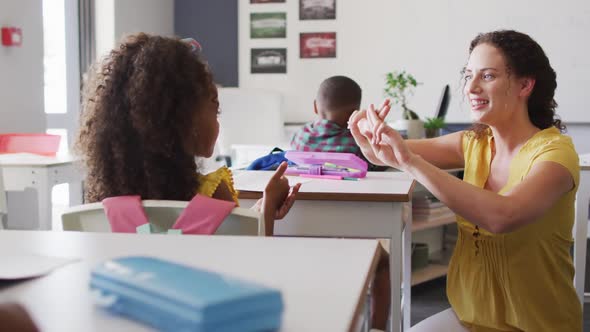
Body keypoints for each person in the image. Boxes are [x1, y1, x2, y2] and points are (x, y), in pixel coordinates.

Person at [350, 30, 581, 331]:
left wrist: (409, 161)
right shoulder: (474, 143)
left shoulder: (556, 154)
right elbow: (388, 155)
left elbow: (502, 215)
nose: (471, 87)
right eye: (468, 75)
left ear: (525, 85)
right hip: (470, 318)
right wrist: (371, 142)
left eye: (487, 76)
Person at [75, 33, 300, 236]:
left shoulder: (104, 208)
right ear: (184, 120)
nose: (217, 117)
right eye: (215, 106)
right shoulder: (212, 195)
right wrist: (268, 209)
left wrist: (255, 214)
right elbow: (252, 262)